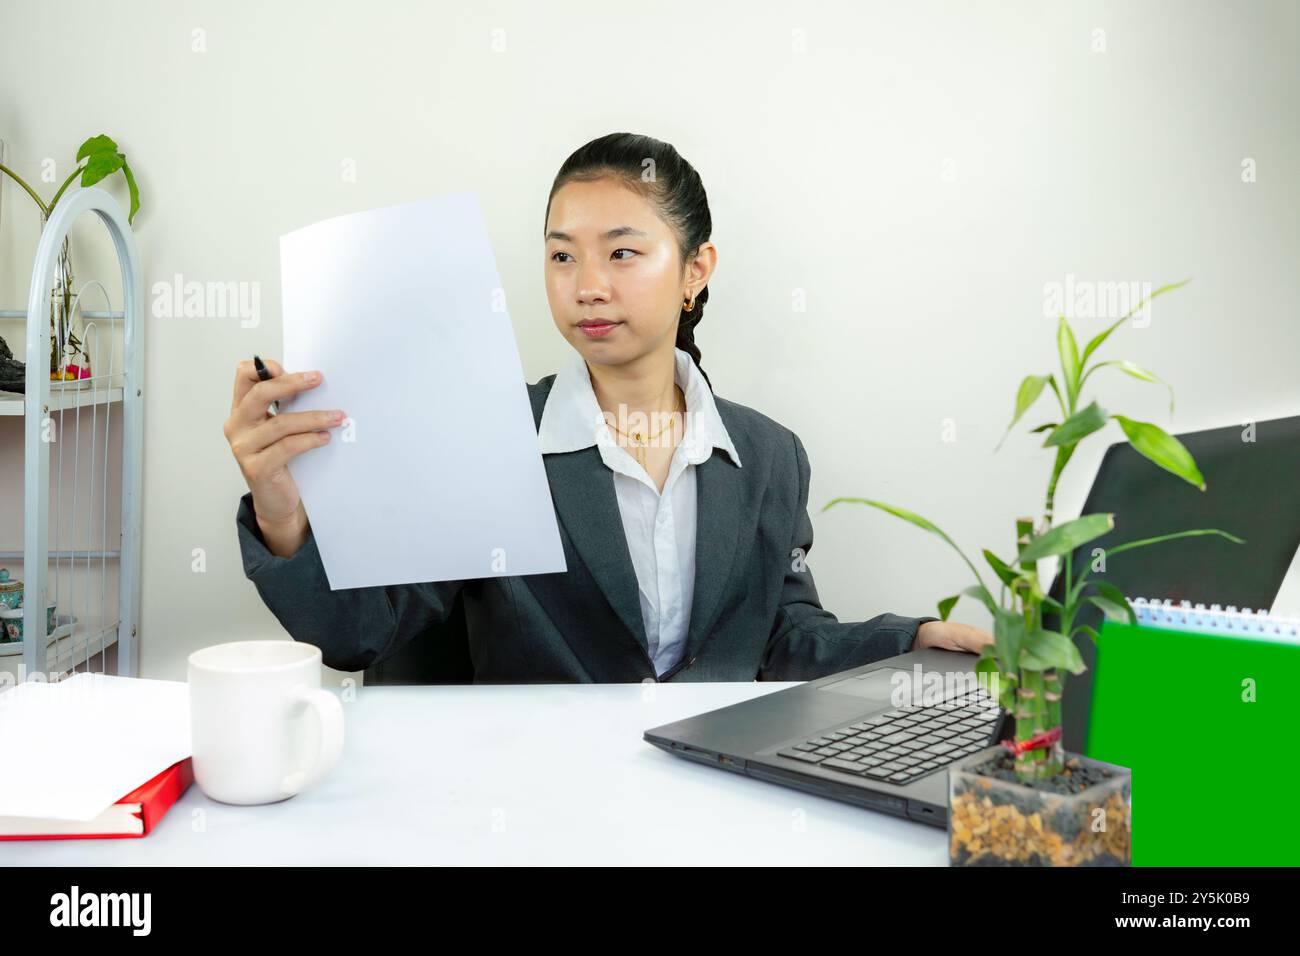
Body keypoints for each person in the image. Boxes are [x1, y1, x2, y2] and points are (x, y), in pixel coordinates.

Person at [223, 132, 993, 682]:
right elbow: (362, 634)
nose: (586, 284)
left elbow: (783, 635)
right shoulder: (488, 435)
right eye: (562, 255)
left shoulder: (768, 457)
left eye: (622, 252)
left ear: (696, 270)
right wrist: (283, 511)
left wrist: (910, 638)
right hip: (524, 809)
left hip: (710, 798)